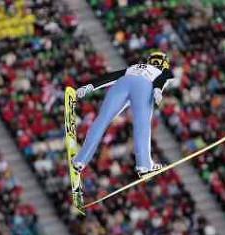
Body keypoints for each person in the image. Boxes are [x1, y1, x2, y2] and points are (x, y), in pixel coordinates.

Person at [72, 51, 174, 179]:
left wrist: (90, 86)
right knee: (141, 124)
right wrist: (157, 89)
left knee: (102, 120)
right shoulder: (164, 71)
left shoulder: (136, 66)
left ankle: (80, 161)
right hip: (144, 86)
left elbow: (112, 76)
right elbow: (162, 78)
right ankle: (144, 166)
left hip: (123, 83)